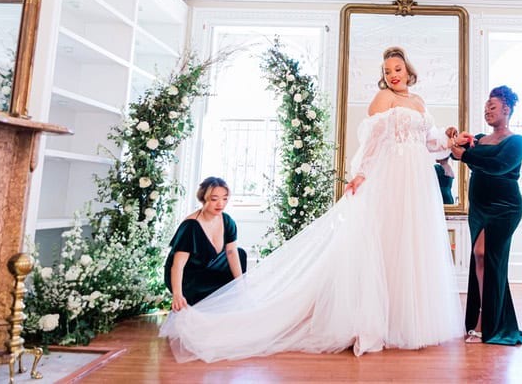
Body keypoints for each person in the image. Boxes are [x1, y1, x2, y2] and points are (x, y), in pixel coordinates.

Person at [160, 46, 463, 362]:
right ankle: (374, 322)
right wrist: (360, 175)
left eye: (397, 68)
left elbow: (431, 141)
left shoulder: (418, 102)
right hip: (392, 179)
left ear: (407, 69)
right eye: (387, 71)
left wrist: (451, 139)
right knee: (384, 246)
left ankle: (406, 322)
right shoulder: (383, 100)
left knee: (411, 247)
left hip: (416, 182)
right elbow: (373, 142)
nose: (392, 75)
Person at [448, 85, 522, 345]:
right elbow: (456, 154)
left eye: (492, 107)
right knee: (479, 257)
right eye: (485, 109)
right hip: (479, 207)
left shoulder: (516, 142)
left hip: (505, 208)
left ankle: (487, 322)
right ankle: (483, 319)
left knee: (489, 258)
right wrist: (454, 140)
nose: (487, 112)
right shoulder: (480, 139)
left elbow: (497, 165)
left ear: (507, 109)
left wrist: (468, 153)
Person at [164, 176, 248, 310]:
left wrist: (240, 286)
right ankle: (198, 300)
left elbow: (231, 253)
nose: (220, 204)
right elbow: (177, 265)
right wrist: (177, 294)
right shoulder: (190, 226)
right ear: (204, 199)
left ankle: (228, 302)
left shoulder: (227, 221)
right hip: (187, 276)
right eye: (214, 199)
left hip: (207, 268)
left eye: (225, 199)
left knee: (240, 254)